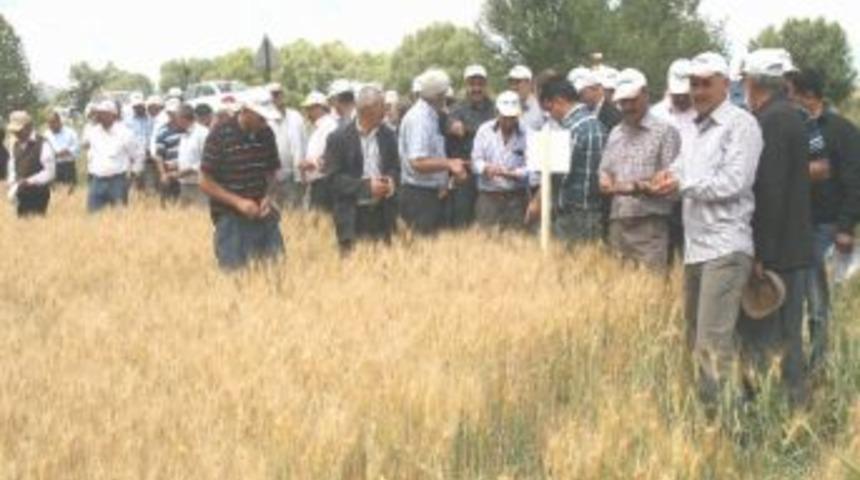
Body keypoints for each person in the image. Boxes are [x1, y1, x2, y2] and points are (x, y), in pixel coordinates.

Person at [648, 52, 763, 414]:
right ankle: (727, 416)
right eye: (692, 84)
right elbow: (680, 169)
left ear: (724, 85)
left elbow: (735, 182)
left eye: (704, 84)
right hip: (697, 247)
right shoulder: (697, 128)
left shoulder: (741, 124)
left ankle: (724, 429)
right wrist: (665, 178)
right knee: (699, 340)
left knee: (711, 344)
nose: (697, 91)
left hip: (726, 246)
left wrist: (681, 183)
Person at [735, 49, 813, 408]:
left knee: (767, 336)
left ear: (751, 82)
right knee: (789, 333)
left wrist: (760, 252)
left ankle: (774, 411)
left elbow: (770, 192)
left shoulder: (769, 122)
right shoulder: (794, 116)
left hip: (776, 252)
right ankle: (794, 408)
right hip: (795, 246)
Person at [788, 69, 860, 371]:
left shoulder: (842, 130)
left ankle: (819, 365)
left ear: (807, 95)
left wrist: (845, 227)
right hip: (795, 225)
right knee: (795, 299)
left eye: (789, 93)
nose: (786, 100)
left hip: (826, 226)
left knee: (819, 300)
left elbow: (855, 179)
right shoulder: (793, 128)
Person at [599, 69, 680, 269]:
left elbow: (673, 186)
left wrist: (636, 187)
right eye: (622, 102)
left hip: (649, 225)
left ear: (645, 94)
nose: (627, 106)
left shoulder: (665, 132)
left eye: (632, 100)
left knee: (650, 291)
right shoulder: (615, 133)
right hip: (618, 222)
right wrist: (604, 180)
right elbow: (605, 169)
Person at [199, 93, 284, 270]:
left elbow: (272, 173)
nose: (265, 122)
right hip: (230, 220)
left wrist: (269, 197)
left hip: (263, 216)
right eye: (261, 117)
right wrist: (238, 202)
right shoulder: (219, 135)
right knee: (236, 278)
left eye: (266, 118)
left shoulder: (267, 134)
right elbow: (205, 181)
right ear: (246, 111)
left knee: (276, 273)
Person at [526, 76, 607, 244]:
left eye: (549, 110)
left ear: (559, 101)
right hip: (594, 212)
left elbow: (553, 176)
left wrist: (535, 203)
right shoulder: (599, 125)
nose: (550, 116)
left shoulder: (569, 131)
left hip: (571, 217)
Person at [326, 85, 401, 252]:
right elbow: (333, 180)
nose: (386, 112)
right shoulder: (338, 138)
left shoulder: (388, 135)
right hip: (352, 218)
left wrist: (390, 182)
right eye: (383, 107)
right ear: (369, 111)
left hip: (382, 216)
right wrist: (367, 187)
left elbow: (396, 168)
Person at [398, 69, 469, 235]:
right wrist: (450, 164)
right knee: (422, 251)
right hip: (419, 197)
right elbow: (417, 161)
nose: (447, 99)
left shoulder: (431, 115)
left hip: (429, 195)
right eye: (444, 95)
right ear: (438, 96)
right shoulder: (420, 119)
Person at [652, 59, 697, 263]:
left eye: (685, 95)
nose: (680, 99)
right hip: (661, 197)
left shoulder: (704, 114)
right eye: (676, 94)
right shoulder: (656, 114)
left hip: (694, 195)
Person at [446, 64, 497, 228]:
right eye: (472, 84)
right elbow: (450, 130)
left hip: (490, 174)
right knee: (462, 222)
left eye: (480, 84)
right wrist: (452, 127)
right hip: (465, 175)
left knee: (488, 224)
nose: (476, 88)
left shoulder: (495, 109)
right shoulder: (455, 109)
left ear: (486, 85)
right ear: (466, 85)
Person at [471, 91, 530, 230]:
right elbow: (475, 161)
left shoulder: (528, 133)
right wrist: (486, 168)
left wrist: (512, 174)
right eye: (505, 117)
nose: (509, 121)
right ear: (497, 113)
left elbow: (532, 167)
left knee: (516, 241)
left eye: (512, 117)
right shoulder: (484, 130)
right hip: (488, 197)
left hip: (516, 198)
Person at [82, 100, 145, 213]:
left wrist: (134, 174)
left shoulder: (125, 133)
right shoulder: (93, 132)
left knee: (118, 218)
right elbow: (85, 146)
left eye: (103, 113)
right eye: (99, 113)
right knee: (93, 217)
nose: (99, 116)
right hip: (97, 180)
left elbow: (138, 155)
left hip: (117, 181)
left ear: (113, 115)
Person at [6, 111, 56, 217]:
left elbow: (49, 172)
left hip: (38, 193)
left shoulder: (43, 143)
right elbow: (12, 166)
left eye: (19, 131)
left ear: (28, 127)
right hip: (20, 192)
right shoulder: (14, 144)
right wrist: (12, 181)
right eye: (14, 131)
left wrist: (29, 181)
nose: (16, 134)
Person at [268, 82, 308, 210]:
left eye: (279, 93)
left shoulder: (296, 116)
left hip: (294, 174)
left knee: (295, 210)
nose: (277, 97)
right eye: (274, 94)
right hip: (272, 176)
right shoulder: (265, 118)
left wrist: (303, 173)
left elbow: (304, 143)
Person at [299, 91, 339, 210]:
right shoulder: (318, 127)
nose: (308, 112)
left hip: (325, 182)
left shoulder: (330, 126)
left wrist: (312, 163)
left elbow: (331, 155)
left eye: (310, 108)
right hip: (316, 182)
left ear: (319, 108)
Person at [175, 104, 210, 207]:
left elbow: (206, 159)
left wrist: (189, 170)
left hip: (199, 185)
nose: (176, 122)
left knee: (200, 216)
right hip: (185, 183)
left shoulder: (202, 133)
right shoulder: (184, 134)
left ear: (182, 118)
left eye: (177, 118)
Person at [568, 66, 622, 133]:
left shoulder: (613, 117)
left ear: (595, 88)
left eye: (582, 94)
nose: (579, 99)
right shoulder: (577, 114)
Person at [152, 100, 183, 204]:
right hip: (170, 171)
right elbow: (159, 155)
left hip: (185, 173)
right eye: (170, 113)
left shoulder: (186, 129)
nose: (172, 116)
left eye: (174, 113)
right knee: (169, 202)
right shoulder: (162, 131)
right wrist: (162, 174)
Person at [125, 94, 155, 191]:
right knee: (134, 183)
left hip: (148, 156)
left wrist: (149, 151)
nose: (138, 108)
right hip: (132, 157)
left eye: (140, 106)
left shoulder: (151, 119)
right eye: (135, 107)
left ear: (144, 106)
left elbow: (153, 136)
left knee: (149, 184)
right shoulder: (127, 121)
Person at [44, 109, 80, 189]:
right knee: (55, 192)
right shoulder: (46, 134)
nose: (51, 125)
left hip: (68, 166)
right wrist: (52, 154)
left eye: (53, 122)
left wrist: (68, 151)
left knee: (71, 192)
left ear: (59, 121)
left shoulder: (70, 132)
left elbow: (77, 148)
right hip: (53, 167)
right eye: (49, 123)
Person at [508, 65, 545, 131]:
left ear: (529, 83)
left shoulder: (541, 108)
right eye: (511, 82)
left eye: (517, 82)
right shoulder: (506, 106)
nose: (513, 87)